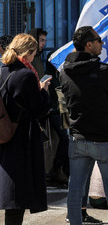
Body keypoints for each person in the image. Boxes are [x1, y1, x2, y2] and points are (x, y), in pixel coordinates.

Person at [60, 26, 108, 225]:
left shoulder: (64, 72)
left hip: (78, 138)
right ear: (89, 45)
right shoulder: (103, 71)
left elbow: (69, 100)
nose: (102, 44)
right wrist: (107, 104)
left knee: (75, 190)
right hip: (104, 140)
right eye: (99, 40)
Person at [0, 34, 51, 225]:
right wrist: (43, 91)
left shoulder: (3, 70)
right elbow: (38, 109)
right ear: (29, 53)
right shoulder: (26, 75)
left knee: (10, 189)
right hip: (22, 138)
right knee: (17, 195)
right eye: (34, 53)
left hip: (5, 134)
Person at [28, 28, 69, 186]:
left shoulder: (39, 59)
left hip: (46, 105)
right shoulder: (32, 59)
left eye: (45, 40)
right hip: (39, 106)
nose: (44, 44)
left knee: (62, 138)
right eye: (41, 40)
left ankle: (56, 170)